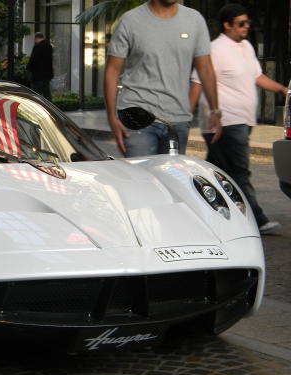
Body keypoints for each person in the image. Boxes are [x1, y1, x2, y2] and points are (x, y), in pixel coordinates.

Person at [190, 4, 287, 234]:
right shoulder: (214, 49)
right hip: (224, 122)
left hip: (243, 121)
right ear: (227, 25)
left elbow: (258, 76)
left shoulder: (245, 47)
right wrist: (186, 114)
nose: (246, 27)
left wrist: (282, 89)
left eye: (248, 23)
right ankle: (257, 218)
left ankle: (202, 214)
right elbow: (198, 81)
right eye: (241, 23)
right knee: (240, 171)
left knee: (215, 172)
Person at [104, 0, 222, 157]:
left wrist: (215, 110)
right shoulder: (130, 20)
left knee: (171, 181)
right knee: (142, 179)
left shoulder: (194, 20)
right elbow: (112, 70)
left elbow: (206, 69)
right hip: (137, 117)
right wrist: (111, 117)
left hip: (177, 120)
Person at [26, 32, 53, 100]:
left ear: (36, 38)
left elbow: (33, 60)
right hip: (47, 74)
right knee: (47, 92)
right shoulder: (49, 46)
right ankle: (49, 107)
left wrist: (28, 68)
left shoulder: (37, 46)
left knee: (37, 94)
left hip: (38, 75)